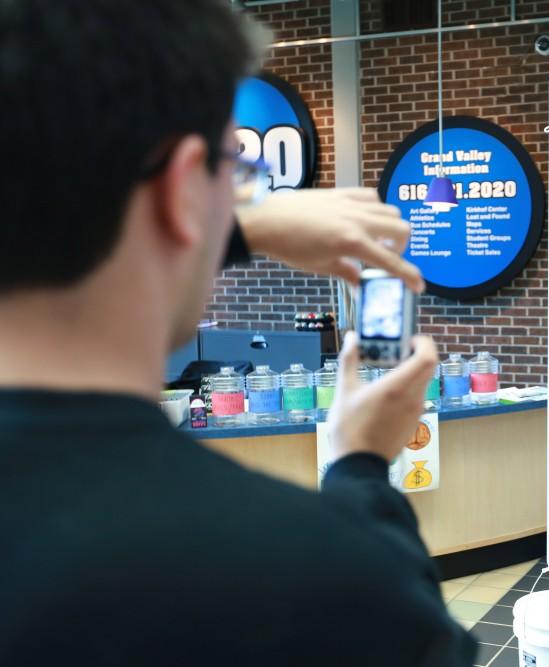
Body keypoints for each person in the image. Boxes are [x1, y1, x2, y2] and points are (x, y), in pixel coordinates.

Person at [0, 2, 475, 665]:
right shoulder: (321, 577)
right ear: (183, 188)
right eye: (237, 169)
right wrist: (359, 465)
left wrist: (230, 220)